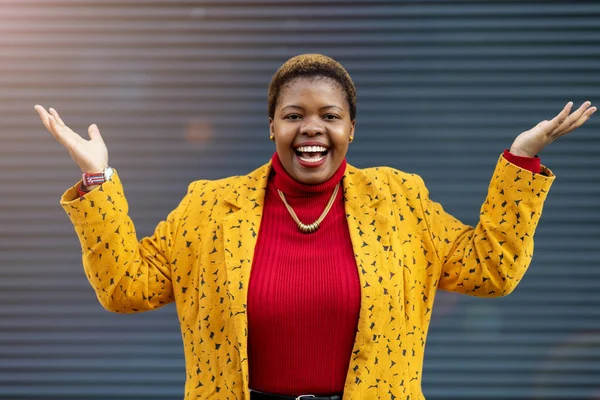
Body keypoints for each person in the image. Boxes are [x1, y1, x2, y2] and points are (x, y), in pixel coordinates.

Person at [35, 54, 595, 400]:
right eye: (294, 115)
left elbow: (491, 271)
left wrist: (521, 162)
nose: (312, 129)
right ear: (271, 126)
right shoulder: (210, 208)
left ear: (351, 128)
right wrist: (96, 178)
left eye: (330, 116)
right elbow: (126, 288)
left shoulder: (401, 201)